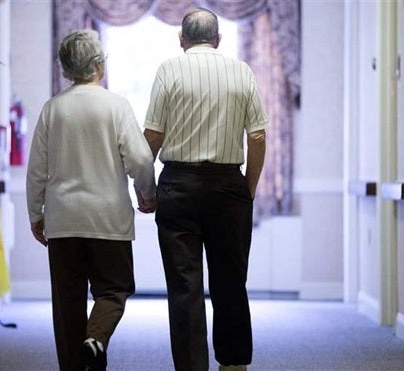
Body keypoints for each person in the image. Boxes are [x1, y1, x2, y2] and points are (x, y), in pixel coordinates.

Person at [143, 8, 268, 371]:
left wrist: (146, 188)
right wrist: (248, 190)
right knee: (230, 282)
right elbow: (257, 136)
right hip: (228, 186)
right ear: (218, 39)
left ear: (181, 39)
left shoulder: (169, 69)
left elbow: (152, 136)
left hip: (178, 186)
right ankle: (233, 365)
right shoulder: (241, 71)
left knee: (185, 287)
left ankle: (191, 366)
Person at [26, 30, 156, 371]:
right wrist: (147, 193)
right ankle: (96, 338)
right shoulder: (116, 105)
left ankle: (77, 362)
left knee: (67, 306)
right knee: (114, 290)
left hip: (63, 221)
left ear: (67, 68)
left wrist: (35, 214)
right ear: (99, 64)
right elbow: (141, 160)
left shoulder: (52, 109)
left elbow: (37, 169)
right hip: (108, 220)